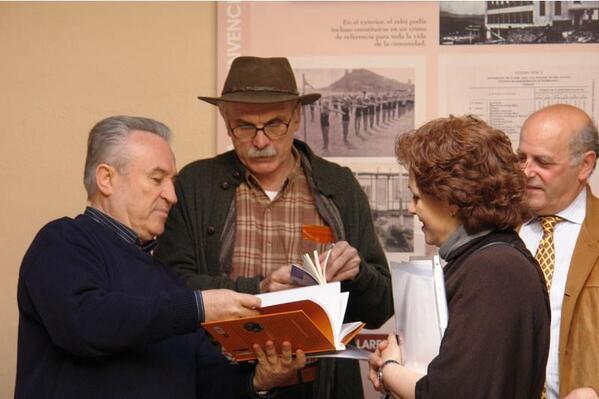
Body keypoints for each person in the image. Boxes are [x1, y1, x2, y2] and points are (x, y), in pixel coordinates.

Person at [15, 115, 306, 399]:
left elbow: (205, 378)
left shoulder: (166, 277)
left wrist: (260, 381)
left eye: (172, 181)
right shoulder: (62, 241)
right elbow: (85, 323)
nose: (172, 195)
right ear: (106, 179)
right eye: (157, 179)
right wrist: (199, 306)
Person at [155, 56, 393, 399]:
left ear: (297, 117)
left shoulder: (338, 185)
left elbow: (381, 308)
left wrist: (358, 274)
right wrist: (258, 288)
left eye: (275, 124)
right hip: (223, 384)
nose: (261, 140)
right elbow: (170, 290)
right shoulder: (196, 184)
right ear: (226, 121)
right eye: (245, 126)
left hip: (321, 388)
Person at [368, 115, 550, 399]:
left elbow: (448, 392)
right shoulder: (483, 260)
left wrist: (389, 368)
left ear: (451, 200)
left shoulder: (495, 271)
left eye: (417, 197)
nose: (410, 209)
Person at [517, 104, 599, 399]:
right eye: (521, 158)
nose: (526, 172)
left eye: (543, 161)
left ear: (586, 165)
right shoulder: (496, 231)